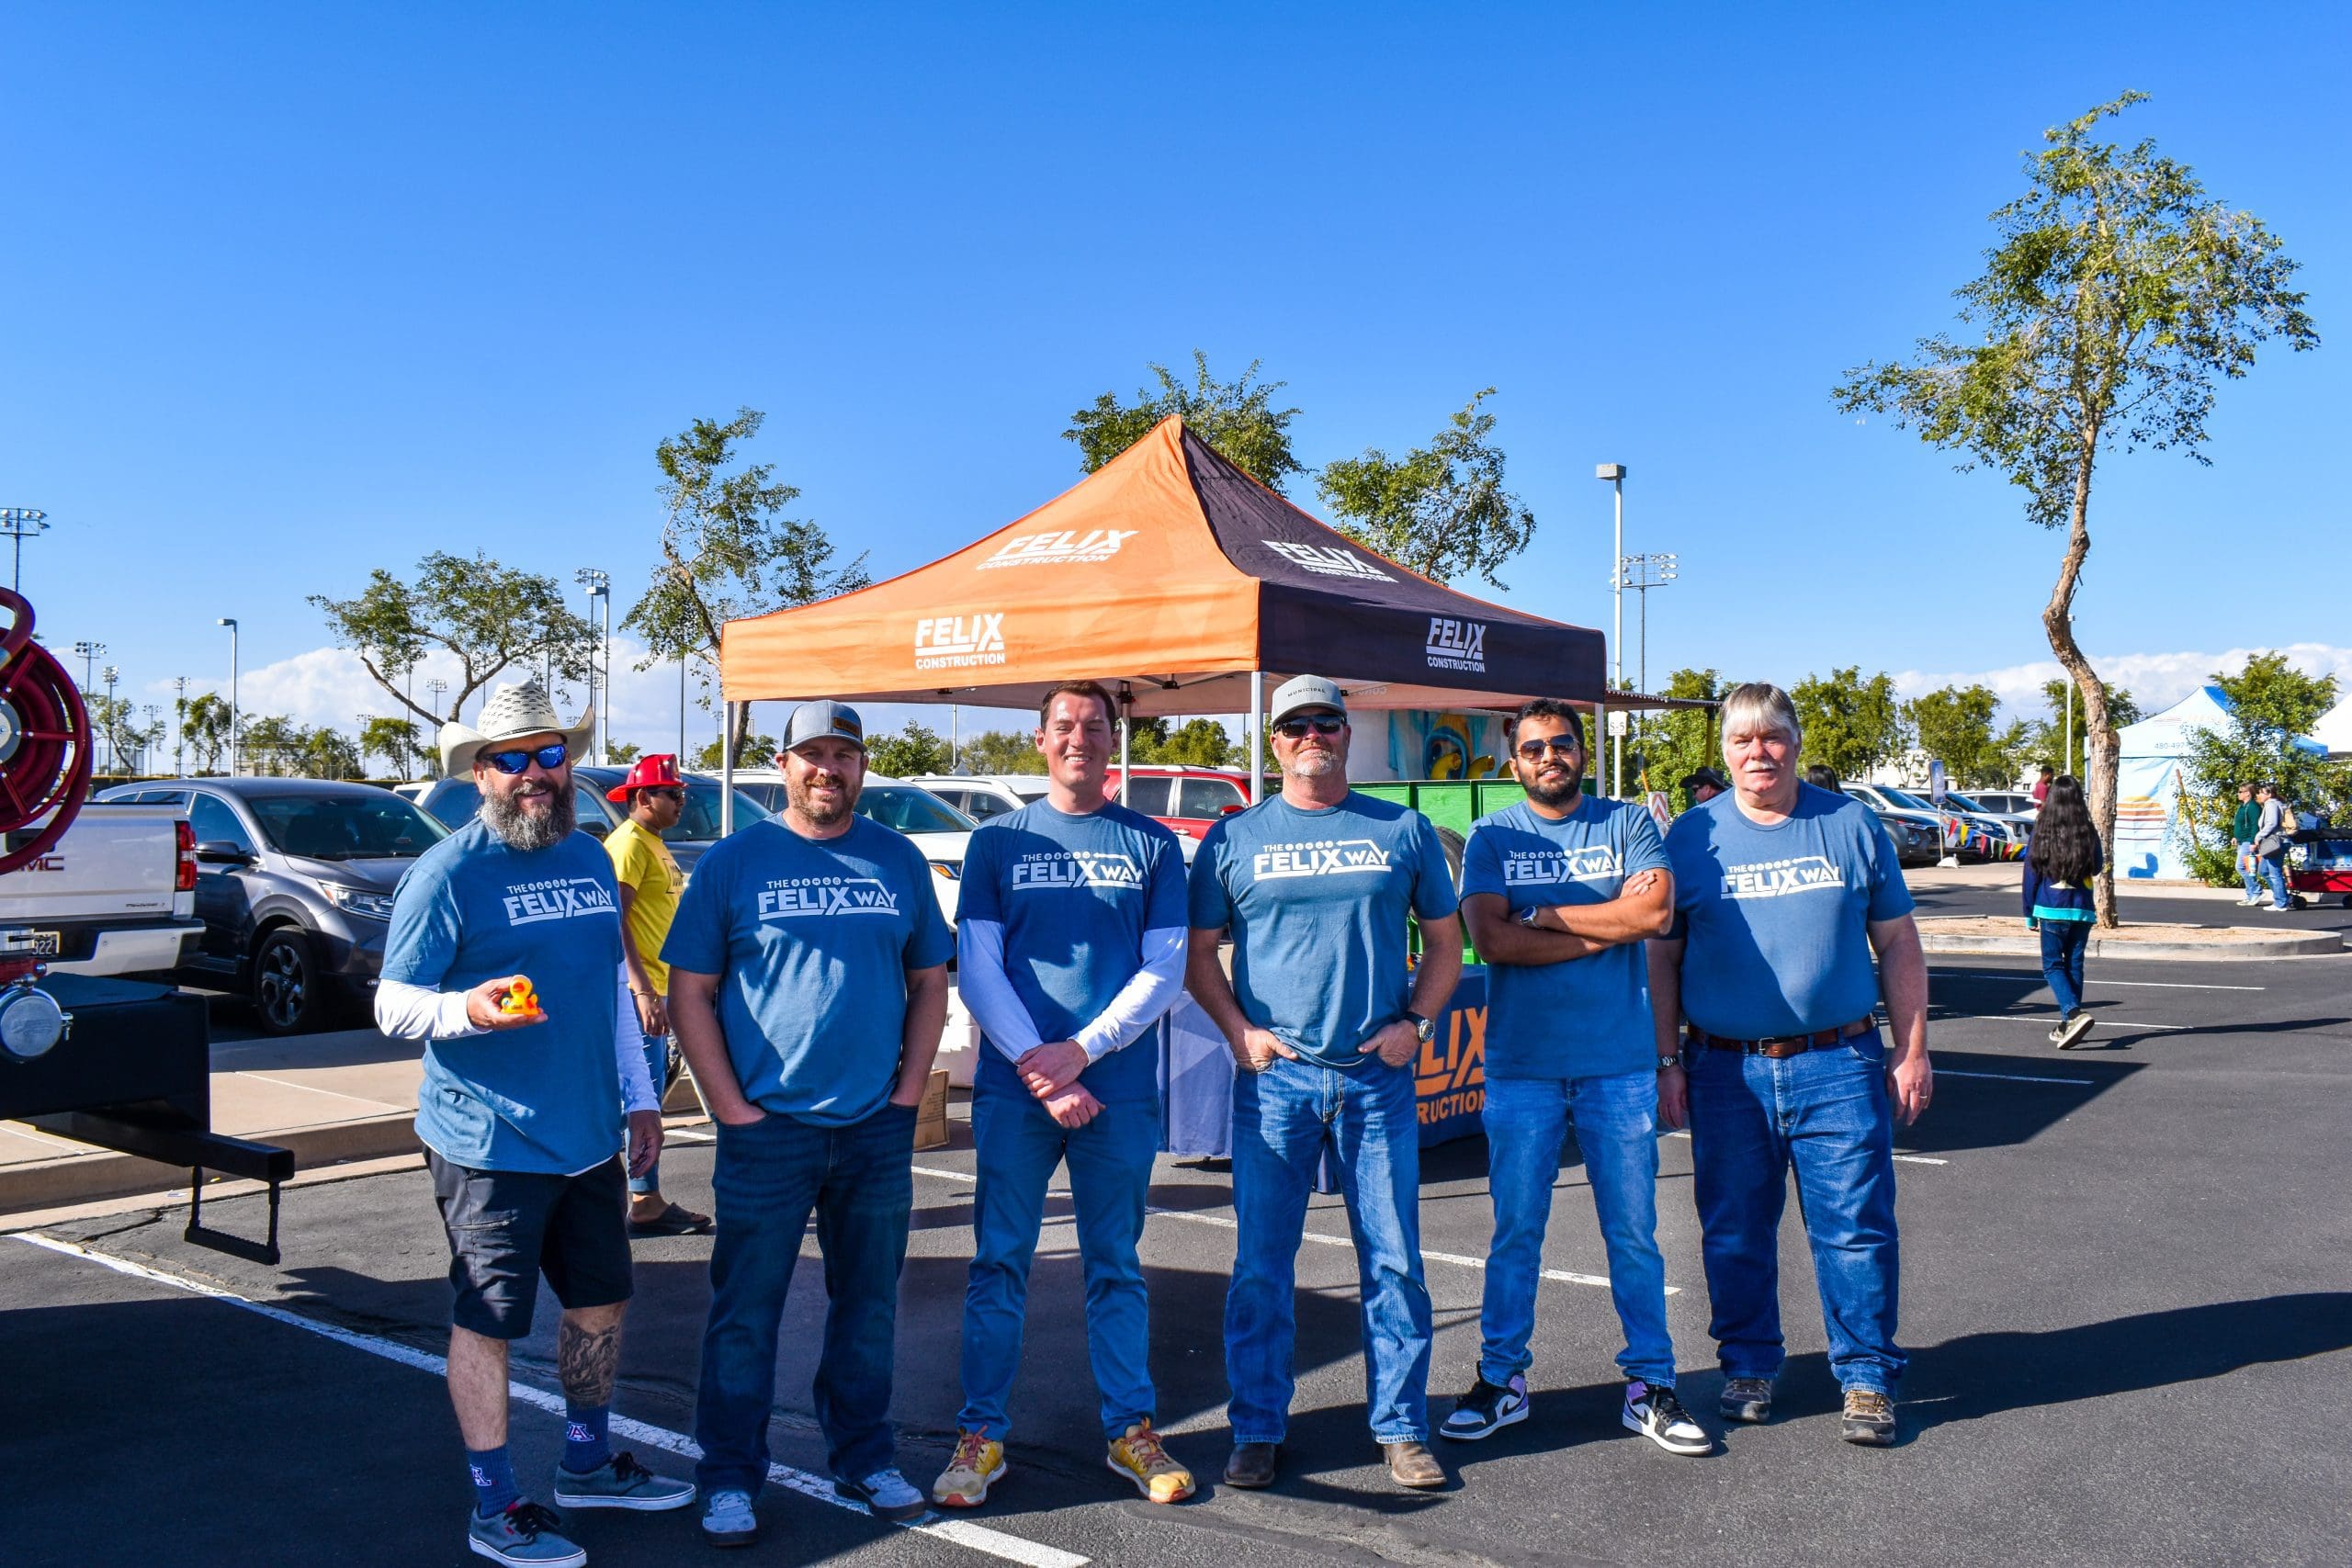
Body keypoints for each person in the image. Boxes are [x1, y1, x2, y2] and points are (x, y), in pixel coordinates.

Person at [377, 681, 694, 1568]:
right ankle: (494, 1502)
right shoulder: (449, 873)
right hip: (487, 1142)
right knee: (489, 1318)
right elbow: (392, 1004)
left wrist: (640, 1095)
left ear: (569, 763)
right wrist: (466, 1011)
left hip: (589, 1135)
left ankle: (587, 1461)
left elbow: (605, 994)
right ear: (479, 774)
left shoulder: (593, 860)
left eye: (548, 755)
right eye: (510, 760)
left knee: (600, 1300)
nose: (532, 775)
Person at [663, 700, 954, 1548]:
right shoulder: (734, 861)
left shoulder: (896, 859)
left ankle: (864, 1455)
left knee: (866, 1307)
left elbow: (931, 980)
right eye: (812, 754)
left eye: (844, 753)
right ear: (783, 764)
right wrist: (732, 1110)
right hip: (768, 1130)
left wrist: (907, 1096)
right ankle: (726, 1474)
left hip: (874, 1128)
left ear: (862, 766)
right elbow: (691, 992)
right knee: (745, 1311)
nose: (829, 768)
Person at [1186, 674, 1464, 1493]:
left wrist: (1415, 1021)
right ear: (1274, 742)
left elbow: (1445, 945)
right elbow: (1201, 957)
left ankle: (1403, 1427)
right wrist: (1241, 1033)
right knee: (1263, 1265)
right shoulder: (1233, 837)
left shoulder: (1403, 829)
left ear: (1347, 734)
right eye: (1296, 725)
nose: (1314, 735)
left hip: (1374, 1079)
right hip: (1278, 1083)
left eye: (1327, 723)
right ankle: (1257, 1427)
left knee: (1395, 1260)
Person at [1647, 682, 1932, 1449]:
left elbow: (1898, 941)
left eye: (1771, 737)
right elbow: (1663, 955)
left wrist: (1912, 1048)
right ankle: (1747, 1364)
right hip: (1723, 1071)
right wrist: (1667, 1058)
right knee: (1734, 1229)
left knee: (1855, 1229)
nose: (1757, 753)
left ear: (1796, 741)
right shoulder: (1691, 839)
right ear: (1724, 752)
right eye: (1741, 740)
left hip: (1838, 1062)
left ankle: (1867, 1375)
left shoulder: (1850, 823)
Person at [932, 681, 1194, 1509]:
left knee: (1115, 1266)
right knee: (998, 1263)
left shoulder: (1152, 844)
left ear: (1113, 741)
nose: (1079, 737)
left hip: (1114, 1089)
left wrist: (1080, 1050)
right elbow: (977, 967)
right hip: (1019, 1097)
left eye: (1094, 726)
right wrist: (1040, 1069)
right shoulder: (995, 843)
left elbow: (1168, 969)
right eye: (1065, 726)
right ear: (1041, 741)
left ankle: (1131, 1429)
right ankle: (981, 1435)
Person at [1442, 700, 1709, 1456]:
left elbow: (1654, 913)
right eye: (1534, 748)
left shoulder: (1626, 822)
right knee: (1515, 1232)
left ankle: (1652, 1384)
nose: (1549, 756)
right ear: (1515, 760)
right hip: (1523, 1070)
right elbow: (1491, 941)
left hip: (1618, 1068)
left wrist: (1548, 919)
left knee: (1633, 1234)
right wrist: (1601, 919)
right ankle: (1501, 1380)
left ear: (1582, 751)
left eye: (1562, 744)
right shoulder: (1494, 835)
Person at [601, 753, 710, 1238]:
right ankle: (640, 1199)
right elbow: (614, 921)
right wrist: (642, 988)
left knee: (646, 1096)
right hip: (639, 995)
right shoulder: (627, 845)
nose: (681, 801)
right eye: (673, 794)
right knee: (637, 1097)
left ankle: (643, 1195)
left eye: (681, 793)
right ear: (643, 798)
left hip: (663, 989)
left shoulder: (653, 844)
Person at [2022, 774, 2103, 1049]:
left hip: (2050, 906)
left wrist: (2028, 911)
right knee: (2074, 964)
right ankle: (2070, 1021)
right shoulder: (2087, 830)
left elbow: (2031, 873)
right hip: (2081, 908)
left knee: (2053, 965)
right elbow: (2097, 867)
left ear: (2052, 798)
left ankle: (2073, 1014)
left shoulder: (2043, 828)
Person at [2251, 782, 2295, 913]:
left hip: (2275, 842)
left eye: (2261, 793)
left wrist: (2258, 836)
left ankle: (2281, 902)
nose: (2258, 795)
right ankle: (2283, 897)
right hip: (2278, 842)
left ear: (2269, 794)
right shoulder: (2275, 804)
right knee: (2264, 870)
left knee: (2274, 873)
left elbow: (2271, 823)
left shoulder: (2271, 804)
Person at [2232, 782, 2265, 907]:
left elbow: (2255, 825)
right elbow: (2240, 824)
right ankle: (2250, 894)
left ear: (2248, 793)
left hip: (2248, 841)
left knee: (2240, 867)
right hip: (2241, 840)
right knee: (2247, 867)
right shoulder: (2242, 807)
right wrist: (2235, 836)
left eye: (2240, 792)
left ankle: (2257, 891)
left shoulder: (2253, 807)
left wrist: (2253, 841)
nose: (2238, 794)